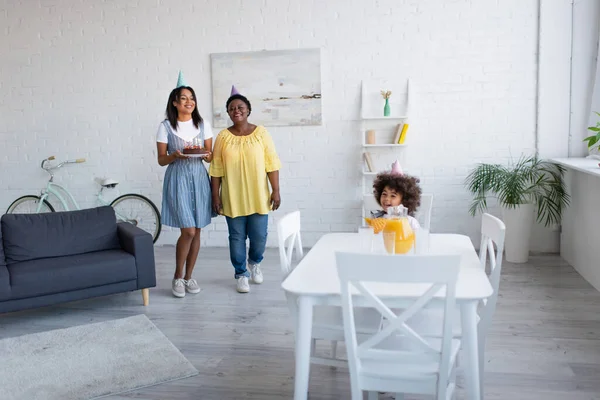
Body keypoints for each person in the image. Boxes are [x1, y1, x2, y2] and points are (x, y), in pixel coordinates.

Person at [209, 85, 281, 294]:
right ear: (228, 113)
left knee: (259, 236)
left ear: (248, 110)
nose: (236, 110)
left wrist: (275, 190)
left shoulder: (261, 134)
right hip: (232, 196)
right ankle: (241, 274)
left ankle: (255, 262)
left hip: (259, 195)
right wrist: (216, 195)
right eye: (231, 108)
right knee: (236, 237)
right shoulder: (222, 137)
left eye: (240, 107)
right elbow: (216, 169)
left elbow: (271, 163)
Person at [156, 74, 214, 298]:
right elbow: (161, 160)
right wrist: (175, 155)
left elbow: (209, 157)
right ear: (174, 102)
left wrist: (208, 156)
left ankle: (189, 277)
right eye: (184, 98)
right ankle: (177, 276)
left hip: (199, 177)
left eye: (192, 98)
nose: (189, 102)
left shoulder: (203, 124)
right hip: (178, 178)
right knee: (188, 230)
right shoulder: (165, 127)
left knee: (197, 229)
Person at [372, 160, 422, 231]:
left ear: (404, 199)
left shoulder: (410, 222)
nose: (386, 198)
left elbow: (418, 239)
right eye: (384, 194)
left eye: (393, 196)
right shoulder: (377, 221)